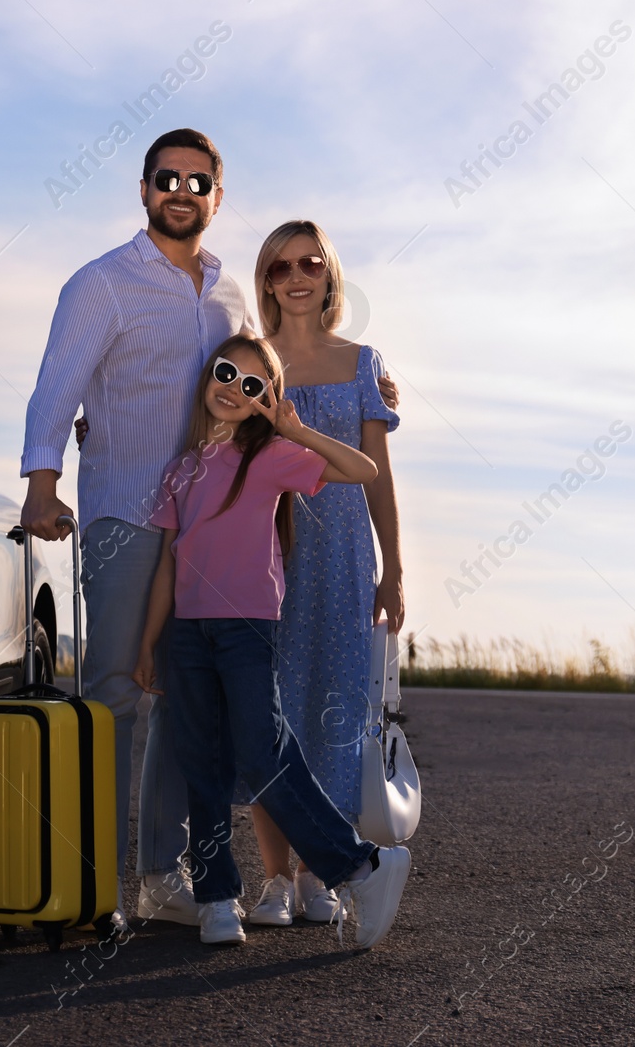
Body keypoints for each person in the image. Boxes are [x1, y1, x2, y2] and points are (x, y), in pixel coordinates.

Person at [19, 128, 248, 928]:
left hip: (206, 529)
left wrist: (365, 373)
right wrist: (41, 486)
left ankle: (161, 877)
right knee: (113, 693)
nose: (180, 192)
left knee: (186, 701)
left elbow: (261, 380)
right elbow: (57, 387)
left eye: (197, 181)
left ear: (218, 195)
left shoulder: (229, 293)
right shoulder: (102, 283)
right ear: (143, 188)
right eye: (166, 179)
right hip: (122, 513)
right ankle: (94, 887)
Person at [131, 334, 411, 948]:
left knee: (263, 756)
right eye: (228, 374)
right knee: (203, 763)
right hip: (187, 633)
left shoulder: (274, 456)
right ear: (209, 376)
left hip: (248, 629)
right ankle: (215, 899)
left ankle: (360, 865)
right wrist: (150, 641)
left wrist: (296, 429)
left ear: (269, 401)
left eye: (254, 385)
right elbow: (169, 566)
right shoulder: (182, 468)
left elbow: (361, 470)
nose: (235, 389)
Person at [240, 220, 406, 927]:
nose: (297, 276)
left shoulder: (363, 362)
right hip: (266, 555)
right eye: (280, 268)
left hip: (342, 559)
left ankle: (318, 873)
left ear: (330, 275)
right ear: (267, 281)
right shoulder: (250, 360)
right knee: (271, 712)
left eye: (311, 263)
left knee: (335, 714)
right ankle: (275, 877)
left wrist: (392, 566)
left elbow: (380, 476)